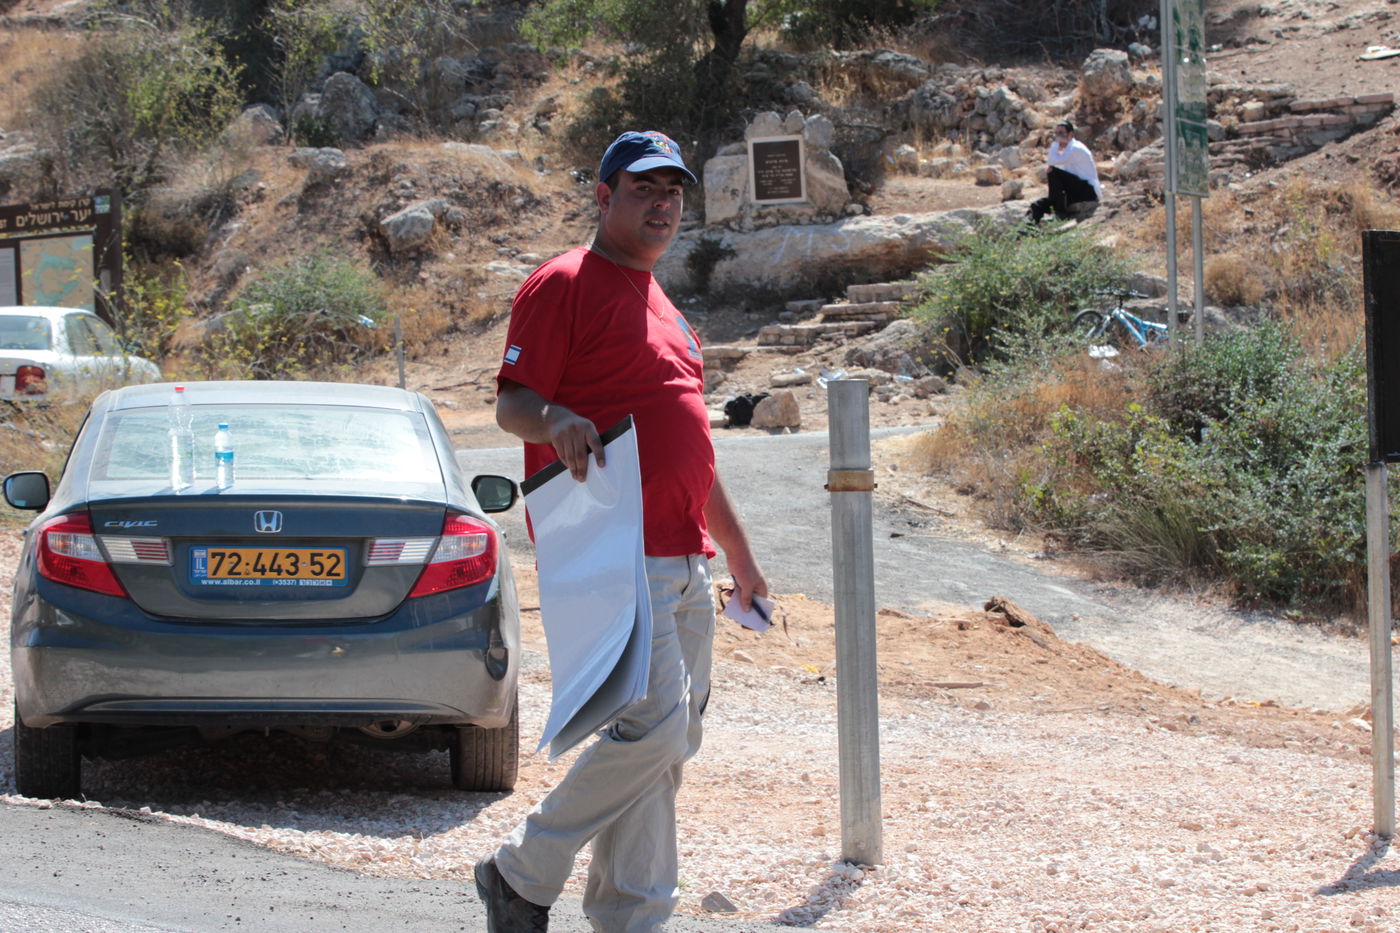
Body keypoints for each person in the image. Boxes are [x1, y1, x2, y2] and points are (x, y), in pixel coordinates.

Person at [475, 130, 769, 933]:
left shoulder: (670, 312)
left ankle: (631, 920)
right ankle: (522, 871)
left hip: (687, 561)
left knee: (663, 748)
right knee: (657, 727)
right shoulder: (565, 281)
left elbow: (694, 453)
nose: (664, 203)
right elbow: (511, 402)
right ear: (604, 198)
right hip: (616, 552)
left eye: (673, 191)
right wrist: (557, 417)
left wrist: (741, 558)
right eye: (644, 189)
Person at [1027, 120, 1102, 224]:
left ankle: (1060, 213)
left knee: (1053, 171)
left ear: (1071, 134)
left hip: (1088, 191)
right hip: (1076, 190)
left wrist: (1055, 144)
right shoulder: (1068, 151)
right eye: (1056, 134)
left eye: (1061, 133)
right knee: (1037, 205)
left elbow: (1052, 161)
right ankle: (1029, 230)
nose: (1058, 137)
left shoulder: (1075, 148)